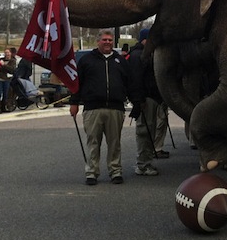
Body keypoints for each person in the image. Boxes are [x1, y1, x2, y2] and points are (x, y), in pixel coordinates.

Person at [69, 29, 142, 186]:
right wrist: (74, 103)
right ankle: (91, 172)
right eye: (105, 40)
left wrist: (136, 102)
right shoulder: (86, 60)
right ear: (98, 41)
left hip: (115, 108)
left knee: (114, 143)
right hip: (92, 108)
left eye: (110, 40)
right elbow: (76, 84)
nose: (107, 42)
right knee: (93, 142)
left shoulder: (121, 61)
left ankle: (115, 171)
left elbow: (130, 84)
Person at [128, 28, 167, 178]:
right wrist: (138, 100)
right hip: (146, 99)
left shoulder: (146, 54)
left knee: (150, 130)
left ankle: (146, 161)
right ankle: (143, 164)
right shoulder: (139, 55)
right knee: (145, 131)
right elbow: (136, 80)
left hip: (151, 98)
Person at [0, 48, 16, 113]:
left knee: (5, 94)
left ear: (11, 53)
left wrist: (4, 65)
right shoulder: (1, 59)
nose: (7, 54)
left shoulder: (13, 61)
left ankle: (4, 107)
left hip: (7, 79)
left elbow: (11, 70)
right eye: (6, 53)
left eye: (8, 52)